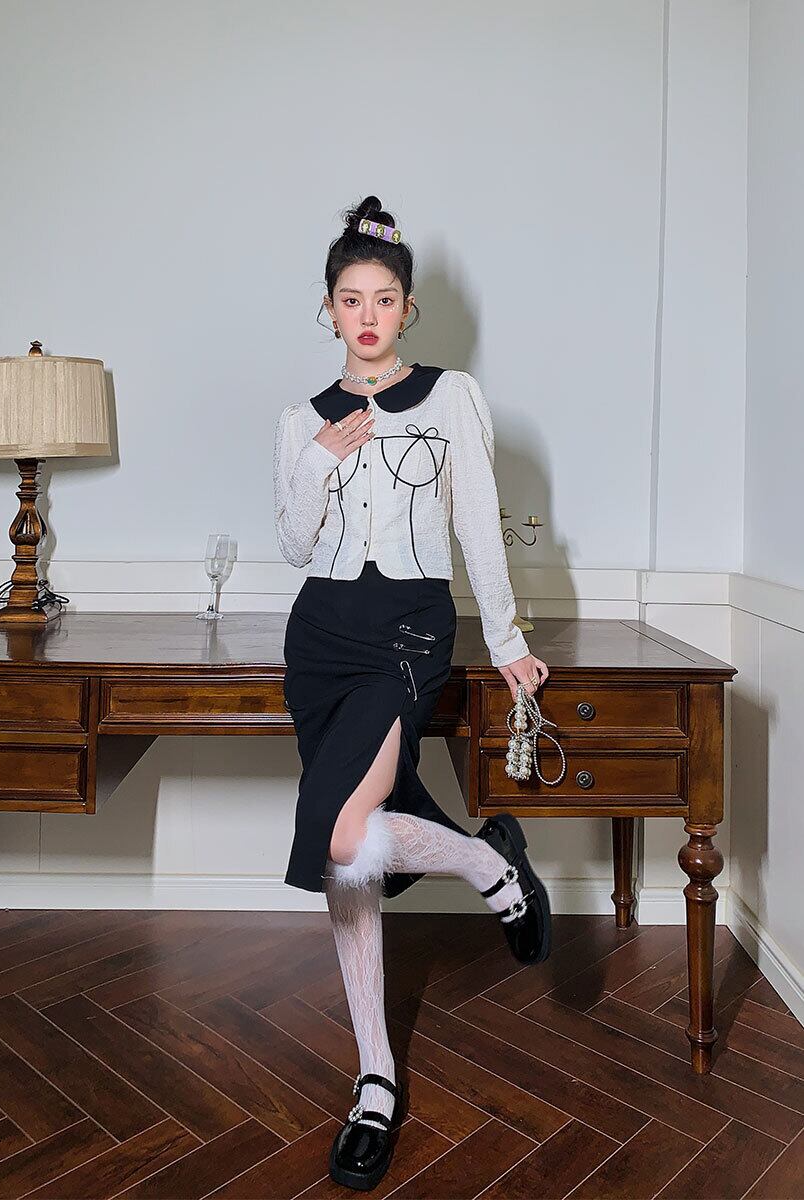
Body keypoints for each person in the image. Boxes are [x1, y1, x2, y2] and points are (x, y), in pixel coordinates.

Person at [272, 196, 552, 1192]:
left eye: (383, 299)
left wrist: (507, 640)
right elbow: (294, 544)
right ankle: (376, 1079)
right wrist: (319, 460)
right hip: (321, 637)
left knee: (345, 836)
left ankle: (487, 867)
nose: (367, 315)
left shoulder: (450, 398)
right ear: (328, 308)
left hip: (408, 630)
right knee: (348, 859)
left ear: (407, 307)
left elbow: (478, 521)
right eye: (350, 299)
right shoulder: (301, 419)